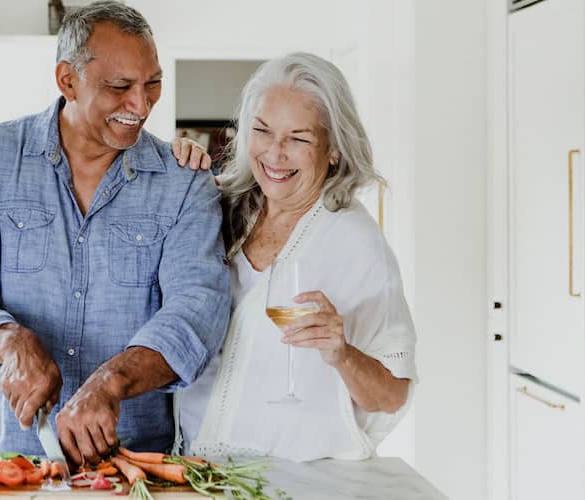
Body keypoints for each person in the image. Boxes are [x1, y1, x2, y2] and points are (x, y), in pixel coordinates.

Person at [0, 1, 231, 465]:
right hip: (16, 460)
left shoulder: (184, 180)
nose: (141, 105)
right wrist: (8, 340)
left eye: (153, 84)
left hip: (136, 465)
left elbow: (197, 312)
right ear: (67, 80)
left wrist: (110, 382)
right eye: (119, 87)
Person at [174, 52, 417, 461]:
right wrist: (175, 165)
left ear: (334, 149)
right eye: (263, 131)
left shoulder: (355, 243)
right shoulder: (220, 207)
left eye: (299, 139)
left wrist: (342, 353)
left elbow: (391, 394)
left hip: (292, 481)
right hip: (193, 469)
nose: (274, 153)